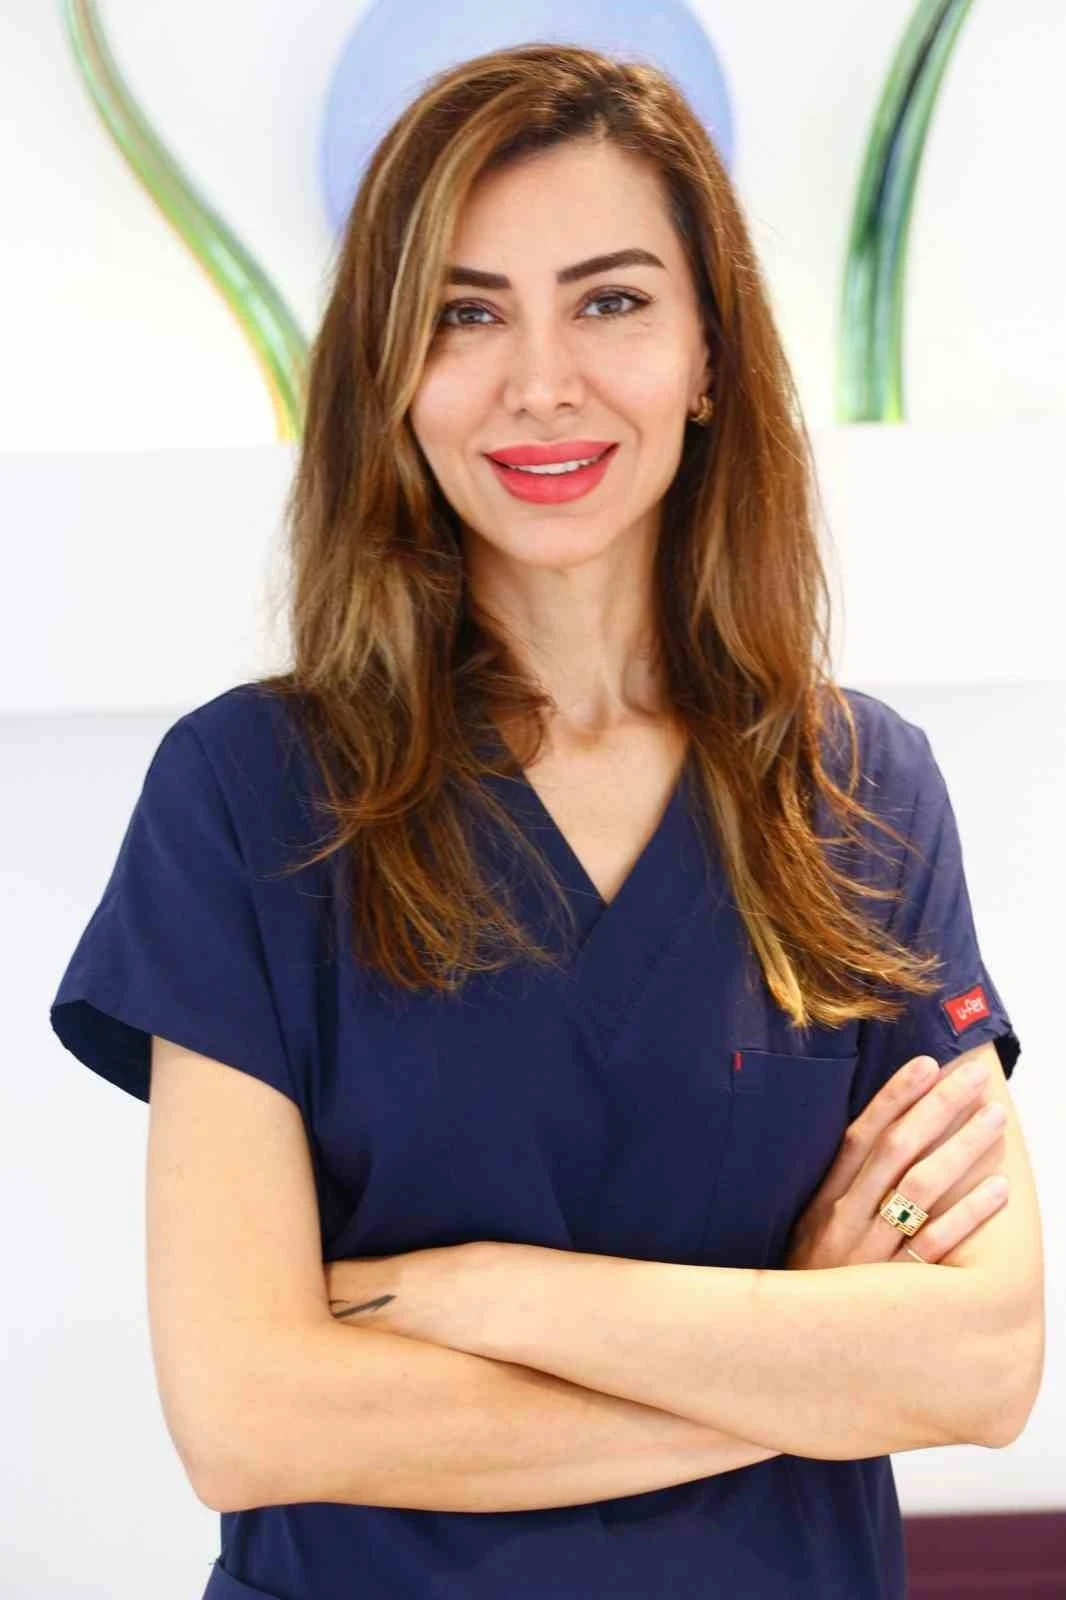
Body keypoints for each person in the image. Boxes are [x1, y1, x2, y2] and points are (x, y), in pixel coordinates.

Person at [50, 42, 1037, 1600]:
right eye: (464, 313)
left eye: (610, 300)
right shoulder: (249, 794)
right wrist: (795, 1352)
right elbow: (249, 1420)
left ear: (707, 352)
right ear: (391, 371)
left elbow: (978, 1364)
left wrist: (488, 1294)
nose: (540, 382)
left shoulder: (861, 792)